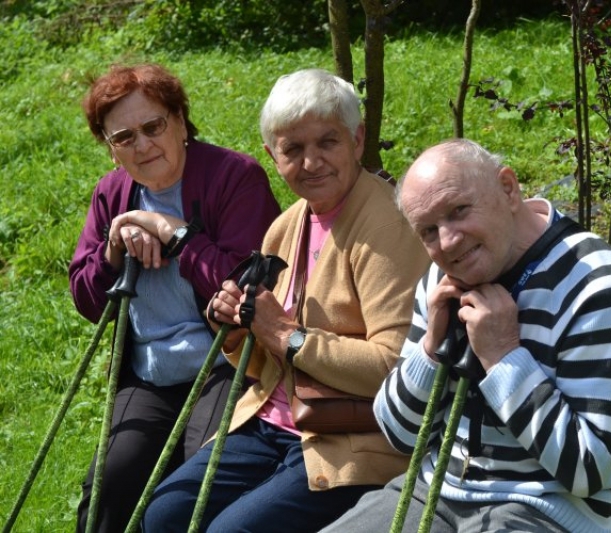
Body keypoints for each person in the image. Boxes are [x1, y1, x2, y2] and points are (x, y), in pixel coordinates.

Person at [142, 68, 431, 532]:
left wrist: (285, 333)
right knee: (164, 515)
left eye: (327, 142)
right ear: (272, 155)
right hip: (270, 421)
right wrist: (236, 326)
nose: (311, 162)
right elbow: (265, 360)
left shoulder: (385, 226)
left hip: (350, 441)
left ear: (357, 140)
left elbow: (396, 367)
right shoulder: (288, 224)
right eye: (293, 149)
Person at [322, 138, 611, 532]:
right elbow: (399, 435)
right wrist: (430, 351)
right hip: (436, 490)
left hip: (556, 510)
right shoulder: (441, 278)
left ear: (508, 189)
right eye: (428, 230)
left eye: (459, 211)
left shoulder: (597, 287)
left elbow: (588, 470)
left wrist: (503, 358)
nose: (447, 242)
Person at [69, 62, 282, 533]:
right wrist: (112, 251)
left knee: (196, 483)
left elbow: (251, 288)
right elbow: (87, 301)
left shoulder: (234, 177)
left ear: (181, 121)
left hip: (228, 363)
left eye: (153, 126)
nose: (142, 145)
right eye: (124, 137)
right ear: (110, 149)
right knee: (108, 484)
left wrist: (177, 235)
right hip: (150, 376)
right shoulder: (111, 196)